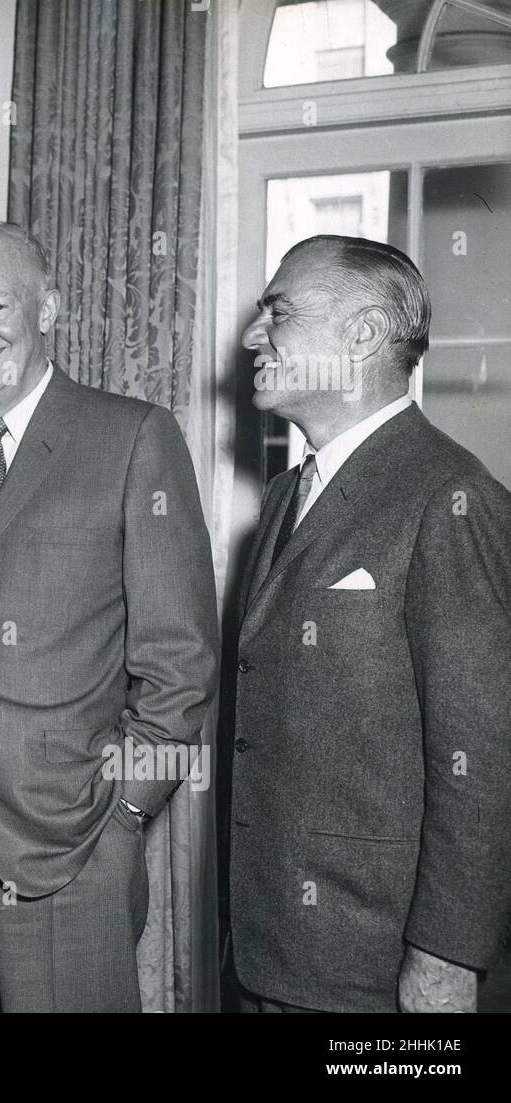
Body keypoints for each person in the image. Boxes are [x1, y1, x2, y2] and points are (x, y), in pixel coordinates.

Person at [0, 220, 219, 1012]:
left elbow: (183, 664)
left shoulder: (132, 437)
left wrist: (125, 808)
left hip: (72, 831)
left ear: (48, 308)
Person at [230, 235, 511, 1013]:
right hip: (271, 948)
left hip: (373, 968)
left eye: (277, 312)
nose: (254, 336)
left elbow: (481, 756)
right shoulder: (289, 495)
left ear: (361, 335)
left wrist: (447, 955)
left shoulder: (452, 498)